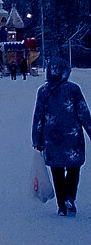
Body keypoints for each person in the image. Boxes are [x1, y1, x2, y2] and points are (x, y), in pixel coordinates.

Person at [32, 57, 91, 216]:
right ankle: (70, 197)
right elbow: (84, 113)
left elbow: (38, 117)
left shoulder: (43, 92)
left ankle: (61, 206)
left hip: (52, 138)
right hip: (73, 137)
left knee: (57, 171)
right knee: (74, 168)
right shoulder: (74, 90)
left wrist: (36, 140)